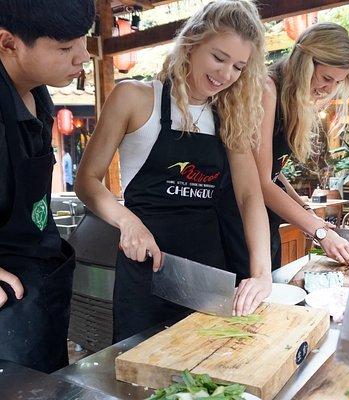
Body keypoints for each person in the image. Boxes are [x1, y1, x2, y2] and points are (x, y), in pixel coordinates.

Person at [76, 0, 272, 342]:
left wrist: (262, 273)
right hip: (146, 268)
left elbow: (249, 197)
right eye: (219, 57)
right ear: (192, 44)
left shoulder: (229, 115)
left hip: (209, 274)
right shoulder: (134, 98)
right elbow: (87, 181)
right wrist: (127, 222)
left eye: (239, 67)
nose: (226, 75)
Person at [0, 0, 94, 373]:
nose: (83, 57)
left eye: (82, 41)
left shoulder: (39, 93)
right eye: (65, 47)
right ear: (8, 42)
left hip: (39, 282)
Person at [255, 22, 349, 269]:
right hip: (240, 216)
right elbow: (260, 181)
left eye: (337, 83)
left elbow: (273, 170)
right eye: (326, 78)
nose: (328, 89)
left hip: (265, 220)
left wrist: (305, 209)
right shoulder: (267, 89)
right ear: (305, 61)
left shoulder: (292, 101)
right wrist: (320, 230)